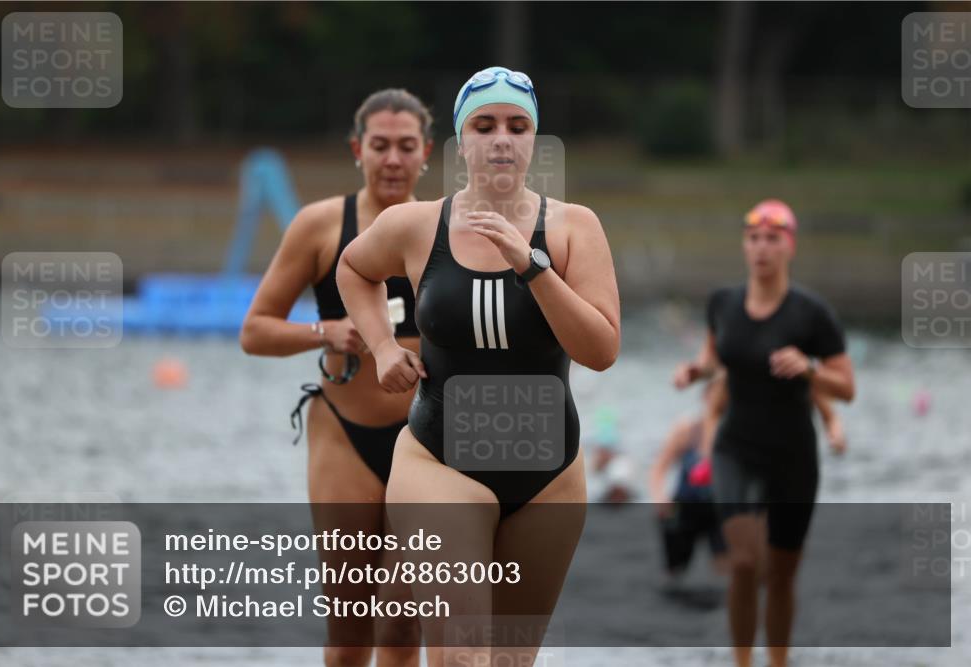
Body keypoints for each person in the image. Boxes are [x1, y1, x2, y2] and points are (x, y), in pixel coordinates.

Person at [336, 66, 620, 666]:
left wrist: (533, 266)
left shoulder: (574, 228)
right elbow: (354, 269)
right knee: (461, 657)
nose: (501, 139)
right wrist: (385, 347)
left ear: (533, 142)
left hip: (548, 477)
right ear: (460, 143)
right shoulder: (415, 226)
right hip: (441, 462)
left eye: (517, 127)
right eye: (484, 125)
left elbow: (601, 351)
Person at [240, 89, 432, 667]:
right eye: (380, 146)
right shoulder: (321, 226)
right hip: (344, 434)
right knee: (350, 625)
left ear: (425, 153)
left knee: (403, 626)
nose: (392, 160)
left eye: (405, 147)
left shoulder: (443, 228)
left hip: (426, 443)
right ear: (358, 150)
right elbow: (255, 331)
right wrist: (325, 332)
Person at [673, 199, 855, 667]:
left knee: (780, 575)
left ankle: (776, 661)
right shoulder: (723, 303)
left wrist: (810, 369)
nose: (762, 248)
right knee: (745, 562)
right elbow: (715, 357)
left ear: (790, 246)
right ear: (744, 245)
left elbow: (847, 387)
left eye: (773, 239)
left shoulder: (812, 314)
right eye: (754, 238)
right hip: (736, 450)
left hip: (793, 457)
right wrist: (696, 371)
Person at [649, 376, 729, 581]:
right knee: (675, 568)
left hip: (720, 506)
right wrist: (660, 498)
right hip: (686, 505)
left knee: (726, 566)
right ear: (704, 397)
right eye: (714, 396)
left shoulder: (733, 433)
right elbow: (659, 469)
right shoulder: (687, 429)